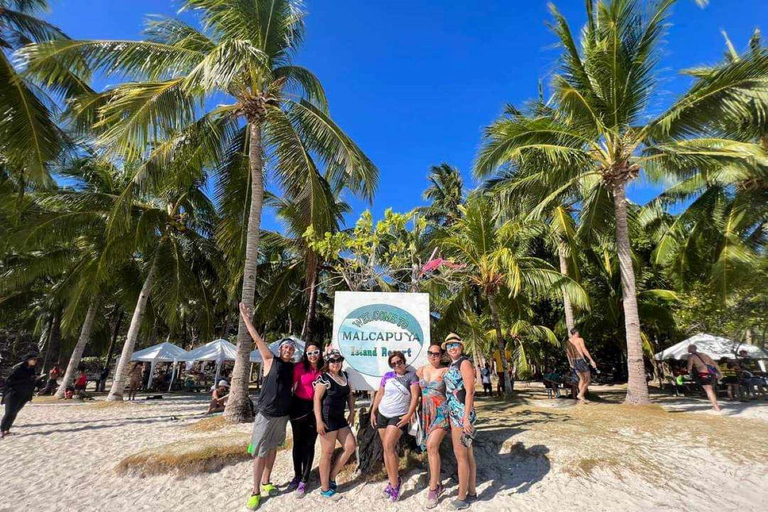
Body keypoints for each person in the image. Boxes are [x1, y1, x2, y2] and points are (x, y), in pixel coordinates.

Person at [240, 303, 296, 511]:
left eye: (291, 348)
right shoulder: (270, 359)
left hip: (282, 415)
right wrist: (246, 318)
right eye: (285, 347)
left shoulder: (293, 367)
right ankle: (255, 492)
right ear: (280, 349)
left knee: (272, 450)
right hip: (266, 414)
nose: (288, 350)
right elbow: (256, 338)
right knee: (259, 452)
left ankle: (267, 482)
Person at [370, 351, 420, 502]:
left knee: (389, 445)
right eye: (393, 363)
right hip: (383, 414)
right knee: (387, 449)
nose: (396, 365)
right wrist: (373, 411)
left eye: (399, 362)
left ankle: (395, 485)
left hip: (398, 416)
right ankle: (393, 480)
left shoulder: (412, 376)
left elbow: (415, 397)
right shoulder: (387, 376)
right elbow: (380, 394)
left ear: (404, 361)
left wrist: (409, 414)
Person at [314, 349, 356, 501]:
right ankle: (325, 488)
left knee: (351, 446)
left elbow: (350, 395)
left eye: (338, 360)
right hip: (327, 420)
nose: (335, 363)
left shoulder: (345, 376)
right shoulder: (323, 378)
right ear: (327, 363)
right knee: (327, 453)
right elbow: (317, 399)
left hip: (340, 419)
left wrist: (352, 412)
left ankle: (332, 475)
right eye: (332, 361)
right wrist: (319, 421)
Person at [442, 334, 477, 510]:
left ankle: (462, 497)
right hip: (456, 413)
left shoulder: (464, 363)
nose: (452, 348)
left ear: (461, 347)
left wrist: (465, 419)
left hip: (461, 416)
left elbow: (470, 392)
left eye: (455, 344)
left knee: (460, 455)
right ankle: (471, 491)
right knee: (468, 454)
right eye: (449, 346)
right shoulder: (452, 364)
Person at [417, 343, 450, 509]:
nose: (433, 356)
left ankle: (433, 489)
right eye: (430, 353)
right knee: (431, 449)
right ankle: (438, 483)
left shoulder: (446, 371)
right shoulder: (420, 370)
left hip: (441, 413)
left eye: (437, 354)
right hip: (425, 415)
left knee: (431, 446)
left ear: (441, 355)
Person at [288, 342, 323, 498]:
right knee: (298, 443)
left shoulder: (325, 368)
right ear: (305, 355)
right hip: (298, 407)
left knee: (310, 444)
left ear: (320, 353)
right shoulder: (300, 367)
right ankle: (297, 475)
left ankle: (305, 478)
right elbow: (289, 385)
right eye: (309, 353)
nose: (313, 355)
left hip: (315, 409)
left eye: (315, 352)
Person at [2, 353, 39, 439]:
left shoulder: (31, 369)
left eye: (36, 360)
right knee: (9, 413)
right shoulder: (19, 368)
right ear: (28, 360)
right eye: (33, 359)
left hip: (23, 394)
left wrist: (35, 380)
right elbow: (9, 381)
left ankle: (7, 430)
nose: (35, 361)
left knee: (15, 412)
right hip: (13, 393)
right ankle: (1, 431)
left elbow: (30, 381)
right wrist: (27, 379)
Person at [686, 344, 722, 412]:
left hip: (703, 374)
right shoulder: (704, 354)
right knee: (711, 390)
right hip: (712, 374)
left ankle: (716, 407)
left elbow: (689, 367)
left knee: (709, 391)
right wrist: (720, 373)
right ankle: (715, 405)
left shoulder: (692, 356)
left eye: (688, 348)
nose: (687, 350)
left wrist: (689, 371)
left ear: (691, 349)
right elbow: (715, 364)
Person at [566, 328, 597, 402]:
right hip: (580, 360)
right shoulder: (579, 339)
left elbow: (568, 354)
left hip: (574, 361)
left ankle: (581, 397)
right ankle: (580, 394)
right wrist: (591, 360)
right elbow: (584, 350)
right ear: (576, 333)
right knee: (588, 379)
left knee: (582, 379)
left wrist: (570, 363)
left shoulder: (568, 342)